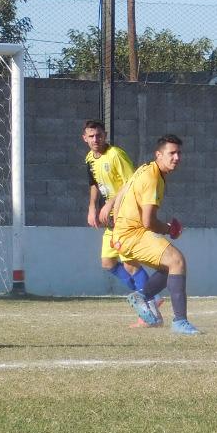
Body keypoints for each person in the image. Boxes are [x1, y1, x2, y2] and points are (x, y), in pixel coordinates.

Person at [104, 134, 200, 335]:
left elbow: (123, 191)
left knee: (169, 267)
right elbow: (148, 222)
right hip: (133, 233)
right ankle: (180, 321)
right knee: (177, 261)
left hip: (124, 234)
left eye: (179, 153)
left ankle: (143, 295)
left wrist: (115, 220)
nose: (176, 158)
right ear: (159, 154)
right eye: (171, 153)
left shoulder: (144, 169)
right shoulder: (152, 177)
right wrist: (169, 229)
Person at [81, 119, 152, 305]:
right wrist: (92, 208)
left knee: (129, 263)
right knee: (108, 262)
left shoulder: (115, 155)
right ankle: (148, 295)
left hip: (126, 213)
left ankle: (149, 297)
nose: (96, 139)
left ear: (105, 135)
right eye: (91, 136)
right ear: (85, 138)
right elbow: (94, 184)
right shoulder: (89, 158)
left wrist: (110, 203)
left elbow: (132, 181)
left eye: (99, 135)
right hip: (112, 217)